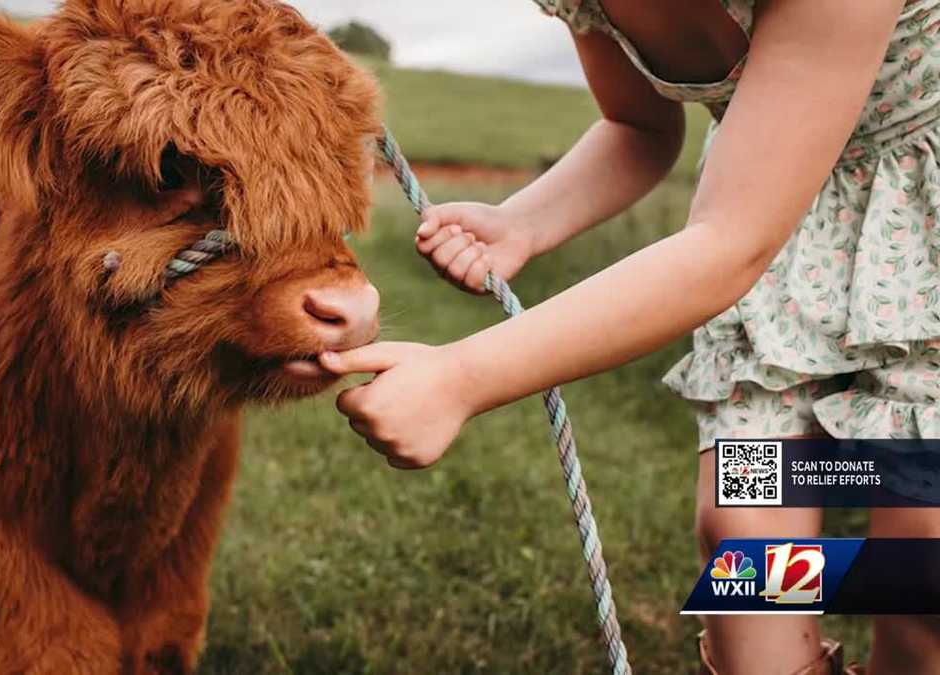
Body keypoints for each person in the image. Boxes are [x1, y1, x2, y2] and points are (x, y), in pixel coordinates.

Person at [318, 1, 940, 673]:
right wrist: (524, 221)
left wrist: (463, 376)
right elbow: (638, 125)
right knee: (749, 547)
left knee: (920, 558)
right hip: (785, 257)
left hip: (916, 232)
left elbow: (731, 243)